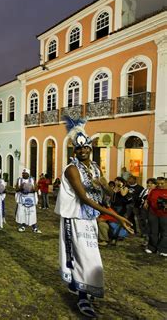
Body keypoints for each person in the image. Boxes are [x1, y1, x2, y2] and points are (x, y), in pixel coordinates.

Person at [55, 117, 133, 318]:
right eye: (79, 149)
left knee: (90, 255)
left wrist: (105, 185)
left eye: (86, 148)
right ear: (74, 151)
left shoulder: (96, 169)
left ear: (91, 148)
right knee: (81, 256)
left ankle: (85, 288)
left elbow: (107, 195)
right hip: (75, 218)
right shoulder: (72, 169)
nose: (83, 151)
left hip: (89, 219)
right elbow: (84, 198)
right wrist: (118, 217)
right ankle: (82, 296)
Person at [145, 178, 167, 256]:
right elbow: (148, 199)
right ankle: (152, 248)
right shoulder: (154, 191)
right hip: (153, 213)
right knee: (153, 232)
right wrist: (146, 203)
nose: (160, 185)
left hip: (165, 215)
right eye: (158, 183)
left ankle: (163, 249)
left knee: (165, 233)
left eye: (162, 183)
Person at [15, 168, 41, 233]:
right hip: (22, 199)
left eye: (25, 173)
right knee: (22, 213)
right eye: (23, 173)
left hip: (30, 199)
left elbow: (36, 188)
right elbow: (16, 189)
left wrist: (31, 189)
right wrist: (21, 187)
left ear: (28, 174)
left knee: (32, 213)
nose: (23, 174)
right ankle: (22, 226)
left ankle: (34, 228)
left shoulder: (32, 180)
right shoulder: (19, 180)